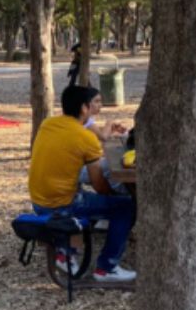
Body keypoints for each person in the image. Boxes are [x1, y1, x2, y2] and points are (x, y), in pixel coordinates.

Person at [28, 85, 136, 282]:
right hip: (61, 204)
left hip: (37, 200)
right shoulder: (86, 138)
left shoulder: (48, 124)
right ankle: (106, 267)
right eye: (95, 103)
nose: (99, 106)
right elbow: (99, 186)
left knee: (84, 191)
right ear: (84, 108)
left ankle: (66, 251)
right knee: (127, 207)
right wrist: (121, 193)